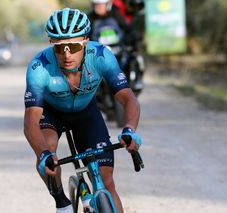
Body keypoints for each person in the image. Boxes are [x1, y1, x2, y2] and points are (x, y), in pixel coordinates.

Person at [23, 8, 142, 213]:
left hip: (86, 113)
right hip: (52, 113)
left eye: (74, 46)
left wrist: (129, 129)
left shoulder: (101, 55)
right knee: (49, 147)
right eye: (60, 48)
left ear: (86, 41)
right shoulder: (39, 67)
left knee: (107, 183)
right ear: (51, 45)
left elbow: (128, 98)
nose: (67, 54)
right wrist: (43, 155)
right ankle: (61, 202)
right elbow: (30, 123)